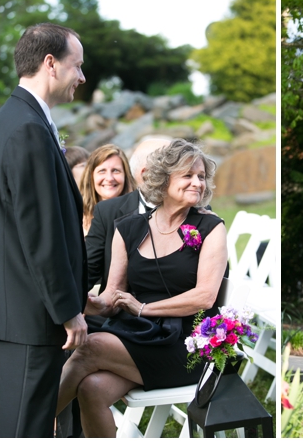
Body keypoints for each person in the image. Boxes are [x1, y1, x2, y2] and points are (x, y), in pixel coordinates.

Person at [56, 139, 228, 437]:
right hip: (137, 335)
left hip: (186, 345)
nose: (197, 183)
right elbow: (112, 295)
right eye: (188, 176)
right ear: (163, 179)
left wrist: (143, 308)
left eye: (201, 177)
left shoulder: (210, 227)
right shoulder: (128, 227)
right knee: (91, 388)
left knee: (91, 345)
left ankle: (27, 425)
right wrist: (88, 303)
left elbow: (205, 297)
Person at [0, 22, 88, 438]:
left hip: (19, 310)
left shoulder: (18, 119)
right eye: (77, 66)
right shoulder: (26, 128)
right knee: (26, 429)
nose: (81, 77)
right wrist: (68, 311)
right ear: (51, 64)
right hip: (32, 316)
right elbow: (40, 233)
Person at [86, 137, 170, 294]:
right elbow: (87, 271)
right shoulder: (107, 212)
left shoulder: (196, 210)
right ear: (146, 174)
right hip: (121, 313)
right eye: (172, 166)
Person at [78, 144, 136, 235]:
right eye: (102, 171)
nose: (109, 178)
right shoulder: (76, 216)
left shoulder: (140, 215)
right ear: (90, 177)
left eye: (116, 170)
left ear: (126, 175)